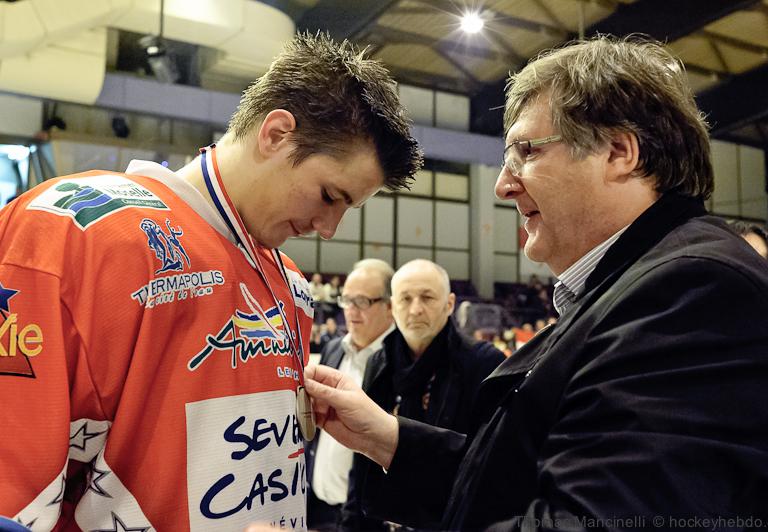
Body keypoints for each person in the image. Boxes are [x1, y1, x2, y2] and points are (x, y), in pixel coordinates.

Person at [303, 36, 768, 531]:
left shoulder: (696, 292)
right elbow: (523, 483)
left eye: (525, 151)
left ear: (618, 152)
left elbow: (586, 520)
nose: (503, 185)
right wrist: (387, 438)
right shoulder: (642, 285)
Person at [0, 32, 421, 530]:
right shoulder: (70, 231)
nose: (329, 229)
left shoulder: (290, 284)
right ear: (276, 134)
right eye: (330, 195)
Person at [341, 259, 505, 530]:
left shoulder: (484, 363)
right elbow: (362, 462)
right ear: (392, 307)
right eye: (405, 299)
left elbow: (489, 462)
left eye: (427, 298)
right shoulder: (379, 363)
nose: (415, 309)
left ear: (449, 304)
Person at [306, 259, 396, 531]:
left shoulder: (400, 361)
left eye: (363, 301)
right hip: (318, 509)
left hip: (364, 519)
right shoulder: (333, 349)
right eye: (347, 300)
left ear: (390, 307)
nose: (351, 310)